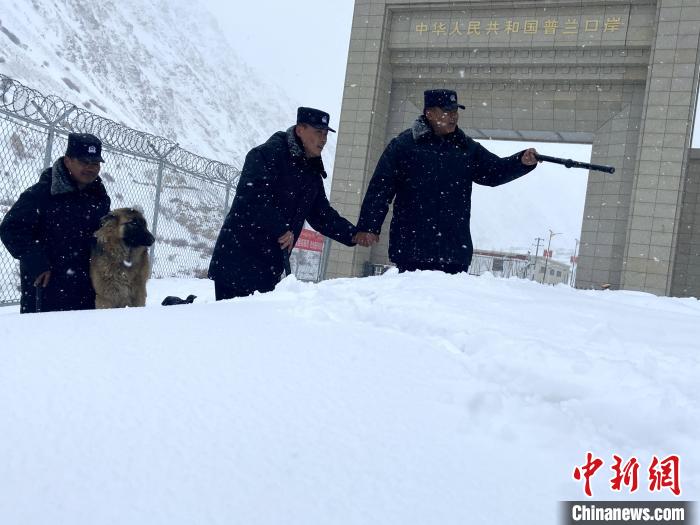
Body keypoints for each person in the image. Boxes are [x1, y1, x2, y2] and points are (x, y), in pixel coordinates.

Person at [355, 89, 540, 274]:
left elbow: (494, 171)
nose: (453, 116)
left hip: (454, 253)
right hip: (412, 250)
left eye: (455, 111)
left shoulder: (466, 148)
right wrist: (369, 226)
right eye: (447, 111)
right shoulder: (404, 146)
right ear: (429, 113)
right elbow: (381, 188)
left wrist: (521, 162)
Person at [208, 107, 361, 300]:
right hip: (237, 260)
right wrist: (280, 228)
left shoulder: (311, 172)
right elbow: (252, 197)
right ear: (300, 130)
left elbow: (321, 214)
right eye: (318, 132)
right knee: (230, 317)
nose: (323, 139)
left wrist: (352, 234)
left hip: (268, 267)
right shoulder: (267, 154)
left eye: (325, 134)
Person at [0, 133, 111, 313]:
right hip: (47, 288)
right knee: (45, 332)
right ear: (68, 161)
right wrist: (35, 259)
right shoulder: (41, 194)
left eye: (95, 163)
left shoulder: (99, 197)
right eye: (84, 162)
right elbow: (11, 228)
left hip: (87, 290)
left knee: (85, 331)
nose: (91, 168)